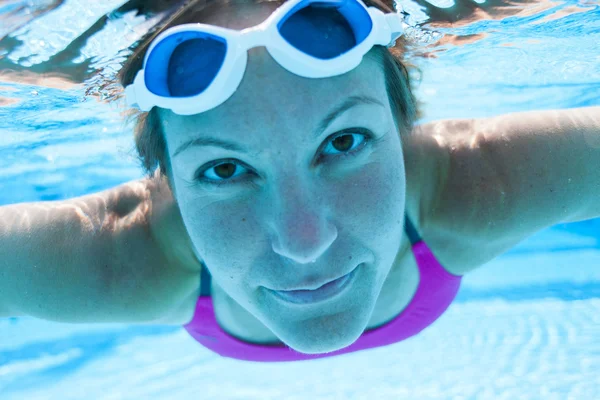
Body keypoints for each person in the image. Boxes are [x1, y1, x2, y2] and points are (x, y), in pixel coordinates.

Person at [0, 0, 598, 362]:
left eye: (344, 142)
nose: (303, 241)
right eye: (225, 169)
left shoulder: (477, 179)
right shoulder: (119, 257)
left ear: (404, 127)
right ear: (166, 181)